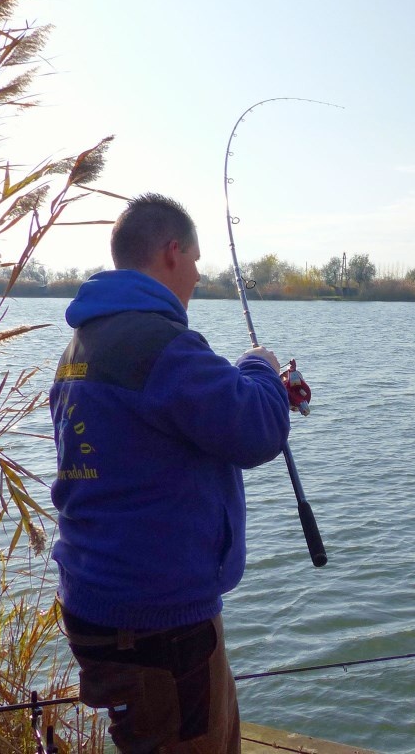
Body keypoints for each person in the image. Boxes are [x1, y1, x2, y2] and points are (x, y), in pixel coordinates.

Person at [49, 193, 290, 753]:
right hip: (159, 625)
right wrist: (262, 366)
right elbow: (256, 428)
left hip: (98, 602)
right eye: (199, 260)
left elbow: (152, 427)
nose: (200, 277)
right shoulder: (156, 342)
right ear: (173, 252)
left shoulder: (84, 342)